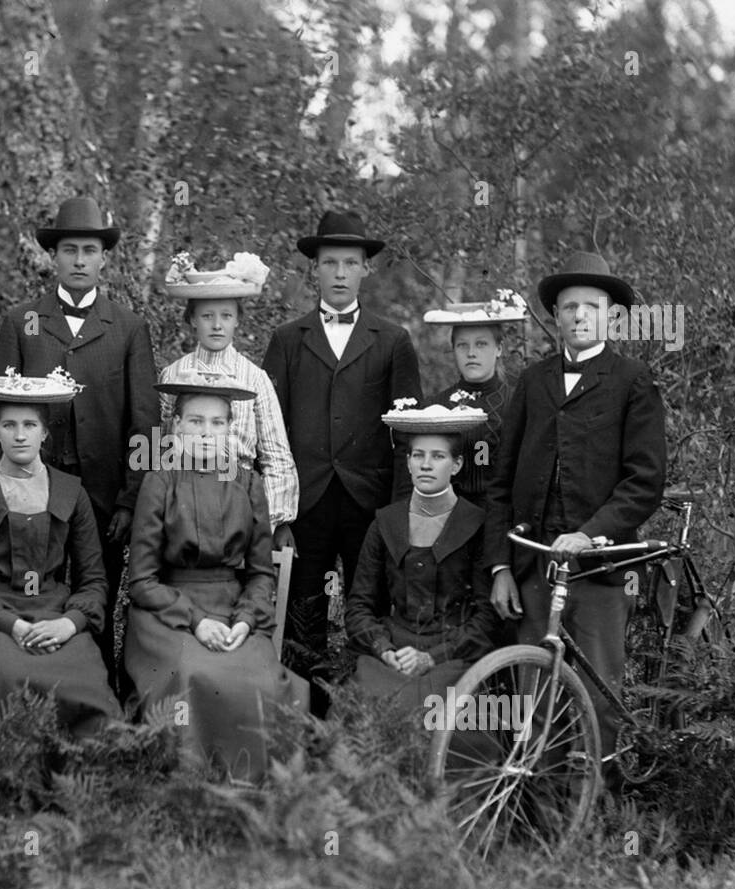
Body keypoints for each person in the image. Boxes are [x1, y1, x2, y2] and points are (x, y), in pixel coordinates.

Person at [485, 251, 667, 774]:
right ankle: (538, 814)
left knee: (599, 692)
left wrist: (590, 534)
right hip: (537, 564)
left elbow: (644, 482)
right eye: (569, 307)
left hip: (603, 569)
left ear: (610, 315)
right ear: (557, 317)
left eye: (591, 306)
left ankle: (600, 807)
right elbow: (502, 481)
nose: (580, 316)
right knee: (534, 695)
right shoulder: (533, 381)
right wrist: (501, 566)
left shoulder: (633, 380)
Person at [0, 196, 158, 697]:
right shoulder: (23, 322)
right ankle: (30, 701)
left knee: (93, 598)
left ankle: (97, 704)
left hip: (103, 498)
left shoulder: (128, 327)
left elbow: (144, 424)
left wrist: (130, 499)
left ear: (104, 258)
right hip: (30, 494)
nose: (80, 260)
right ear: (53, 257)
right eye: (69, 250)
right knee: (32, 596)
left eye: (89, 250)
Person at [261, 210, 423, 711]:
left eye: (349, 263)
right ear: (314, 269)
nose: (338, 273)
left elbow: (408, 436)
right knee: (300, 615)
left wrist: (397, 512)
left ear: (365, 270)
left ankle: (359, 719)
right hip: (303, 503)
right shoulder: (288, 340)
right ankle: (305, 721)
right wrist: (276, 512)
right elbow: (269, 432)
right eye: (328, 262)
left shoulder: (393, 340)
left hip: (367, 504)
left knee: (367, 610)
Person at [123, 375, 308, 782]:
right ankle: (189, 779)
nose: (207, 433)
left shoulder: (248, 483)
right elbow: (141, 579)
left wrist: (244, 620)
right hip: (168, 610)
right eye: (196, 421)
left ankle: (252, 784)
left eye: (217, 423)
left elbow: (260, 573)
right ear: (177, 428)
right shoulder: (160, 480)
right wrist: (195, 621)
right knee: (190, 672)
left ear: (231, 429)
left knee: (261, 678)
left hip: (232, 607)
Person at [0, 368, 121, 737]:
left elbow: (94, 581)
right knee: (8, 674)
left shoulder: (71, 492)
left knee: (83, 680)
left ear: (45, 432)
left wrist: (70, 624)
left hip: (55, 615)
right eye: (9, 425)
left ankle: (80, 779)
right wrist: (11, 625)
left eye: (30, 425)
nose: (20, 435)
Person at [345, 404, 497, 710]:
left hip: (454, 655)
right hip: (394, 651)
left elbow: (487, 618)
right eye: (418, 455)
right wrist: (385, 650)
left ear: (457, 465)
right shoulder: (385, 523)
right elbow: (358, 606)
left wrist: (432, 657)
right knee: (364, 708)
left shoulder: (478, 525)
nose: (426, 465)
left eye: (438, 456)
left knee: (432, 709)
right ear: (408, 463)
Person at [157, 250, 298, 536]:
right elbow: (159, 449)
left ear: (237, 321)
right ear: (193, 320)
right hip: (181, 504)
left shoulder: (255, 379)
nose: (217, 325)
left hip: (238, 502)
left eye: (226, 316)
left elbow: (277, 458)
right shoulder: (172, 375)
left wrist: (262, 521)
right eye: (207, 315)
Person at [422, 292, 525, 511]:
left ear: (499, 348)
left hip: (503, 517)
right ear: (453, 349)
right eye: (462, 345)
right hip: (448, 517)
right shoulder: (436, 407)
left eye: (481, 344)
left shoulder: (519, 404)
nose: (471, 353)